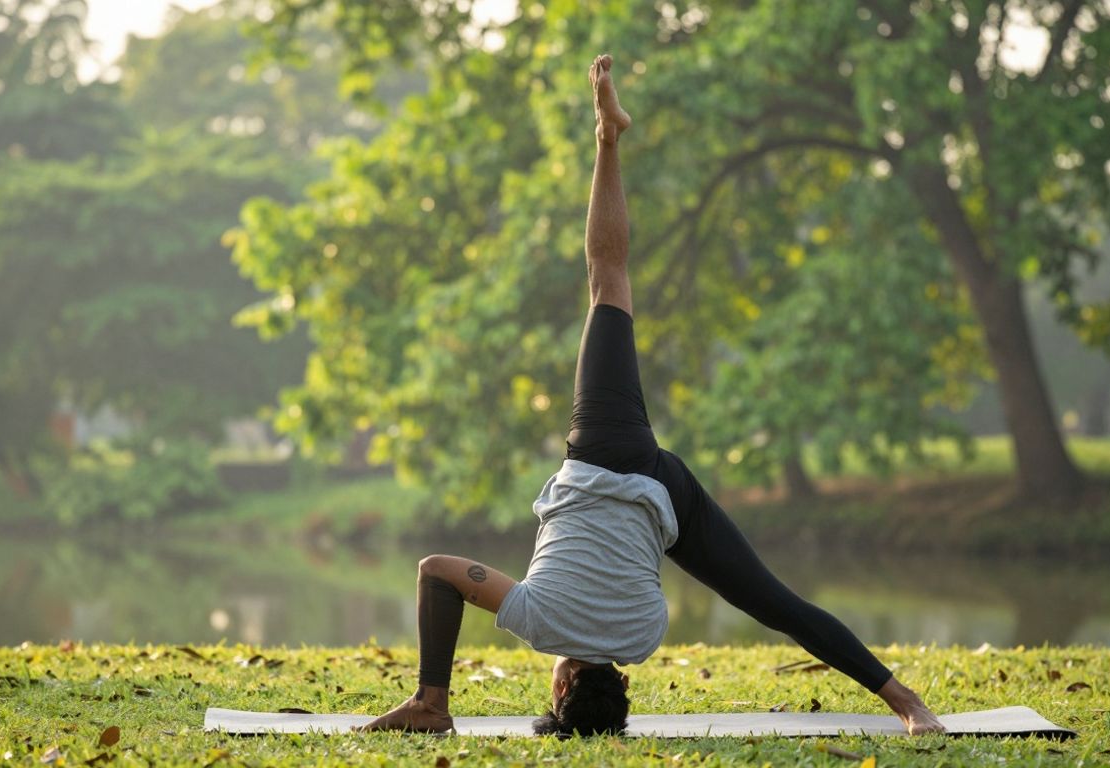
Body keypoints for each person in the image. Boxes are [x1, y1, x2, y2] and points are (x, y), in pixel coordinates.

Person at [361, 54, 946, 737]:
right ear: (562, 683)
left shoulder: (641, 641)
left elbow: (628, 569)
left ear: (621, 684)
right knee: (607, 279)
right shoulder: (536, 621)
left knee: (774, 603)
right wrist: (436, 691)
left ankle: (908, 702)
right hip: (608, 456)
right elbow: (436, 571)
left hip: (667, 497)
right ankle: (608, 138)